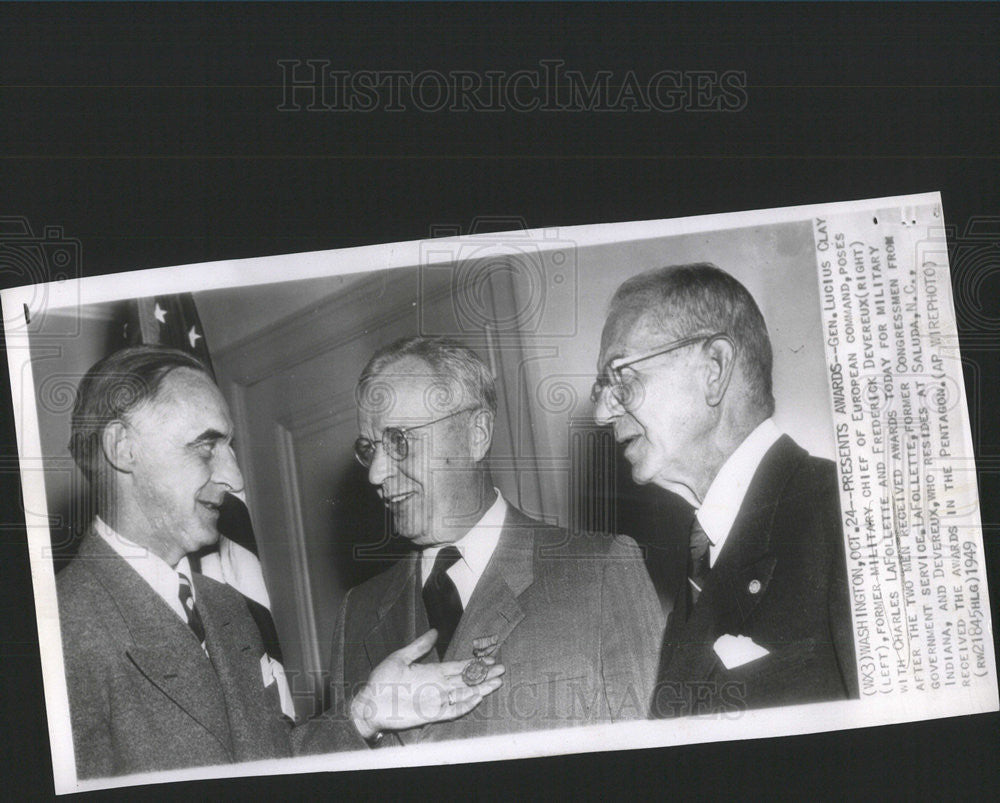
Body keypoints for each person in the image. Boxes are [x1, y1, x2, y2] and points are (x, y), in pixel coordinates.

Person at [58, 346, 502, 778]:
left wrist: (365, 713)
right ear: (122, 448)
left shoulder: (224, 608)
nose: (234, 478)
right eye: (206, 447)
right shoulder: (60, 632)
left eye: (229, 447)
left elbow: (267, 763)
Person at [330, 336, 663, 745]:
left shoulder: (600, 571)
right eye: (369, 449)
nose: (377, 473)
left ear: (477, 434)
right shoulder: (357, 614)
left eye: (400, 442)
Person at [592, 263, 858, 718]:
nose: (601, 413)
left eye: (621, 377)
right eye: (601, 389)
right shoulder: (700, 562)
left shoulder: (848, 514)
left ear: (713, 369)